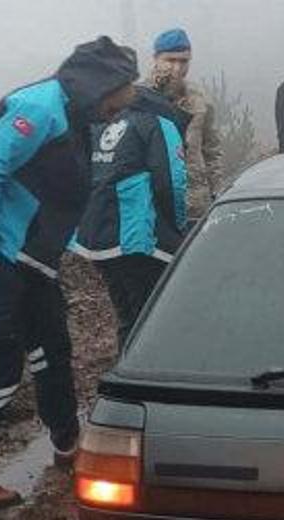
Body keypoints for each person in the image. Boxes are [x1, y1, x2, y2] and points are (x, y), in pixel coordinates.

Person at [0, 37, 138, 508]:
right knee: (4, 355)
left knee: (52, 342)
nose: (128, 99)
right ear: (101, 84)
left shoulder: (80, 114)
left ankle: (68, 443)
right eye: (124, 88)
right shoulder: (39, 108)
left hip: (30, 255)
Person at [70, 51, 188, 351]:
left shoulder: (103, 116)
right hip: (135, 237)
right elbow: (171, 180)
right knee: (151, 318)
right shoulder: (160, 117)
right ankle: (148, 377)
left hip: (97, 235)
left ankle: (124, 373)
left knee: (127, 317)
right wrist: (179, 227)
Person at [150, 28, 222, 221]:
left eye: (183, 61)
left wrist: (217, 191)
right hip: (155, 205)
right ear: (156, 59)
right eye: (170, 60)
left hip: (195, 203)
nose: (177, 68)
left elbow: (211, 149)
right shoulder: (139, 98)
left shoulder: (200, 99)